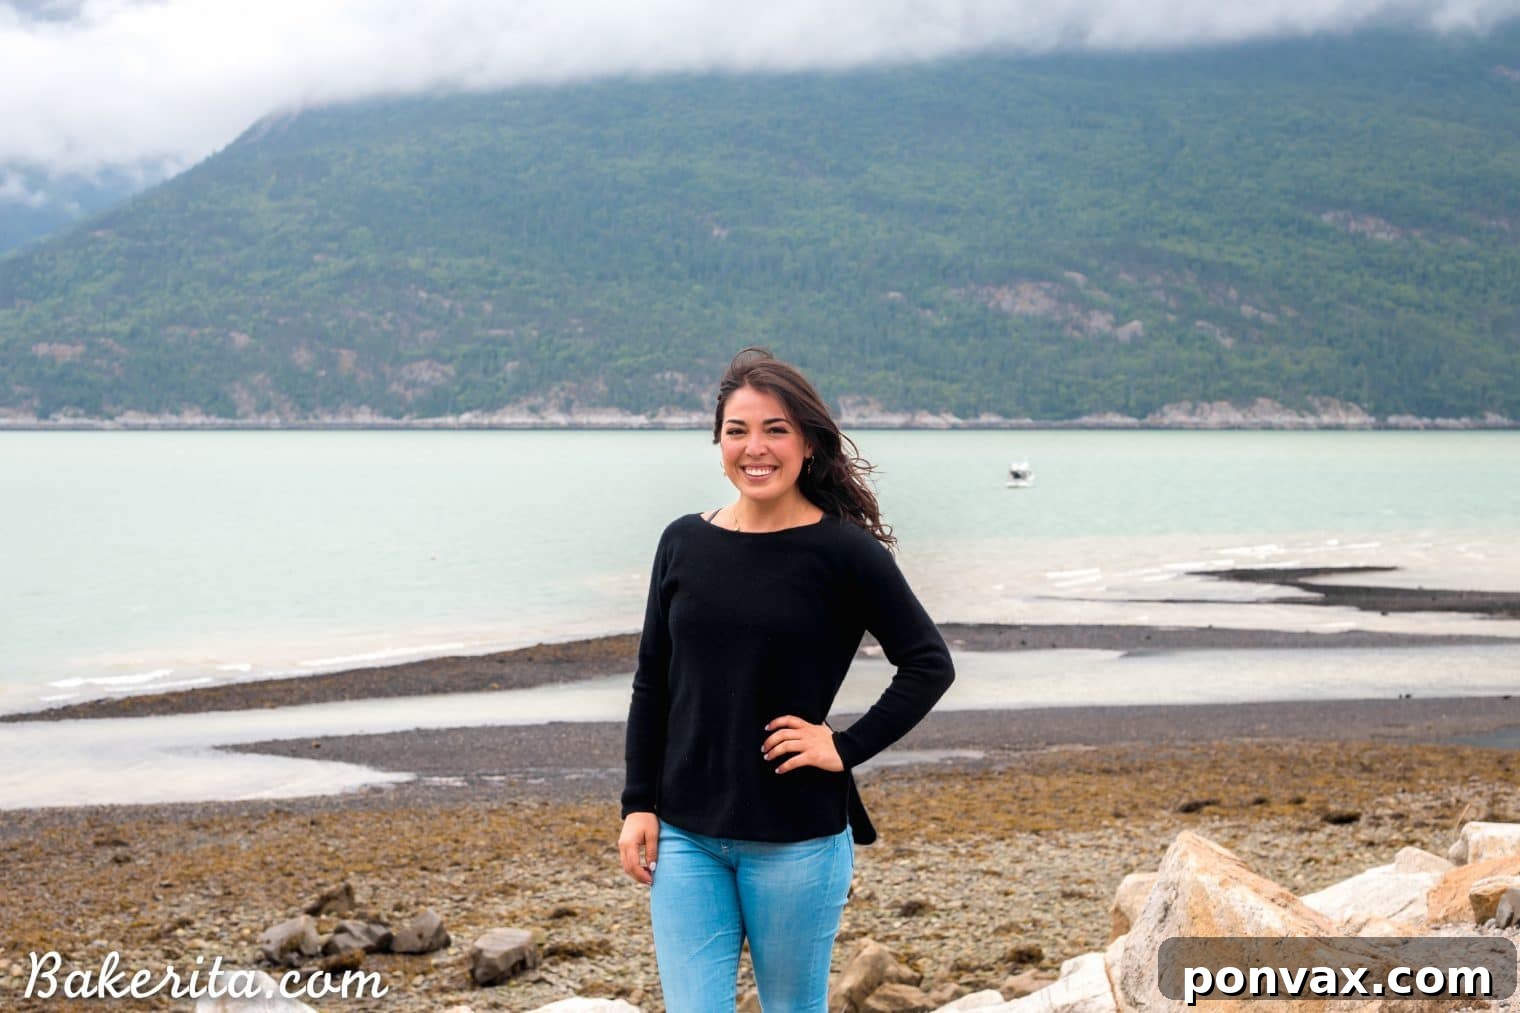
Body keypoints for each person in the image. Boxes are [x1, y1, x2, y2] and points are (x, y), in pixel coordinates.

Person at [617, 347, 955, 1012]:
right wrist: (638, 804)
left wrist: (844, 746)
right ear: (718, 441)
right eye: (738, 430)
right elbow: (652, 679)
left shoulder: (845, 552)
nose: (755, 448)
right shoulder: (682, 541)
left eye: (775, 429)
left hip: (797, 840)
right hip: (685, 834)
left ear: (807, 443)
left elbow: (928, 662)